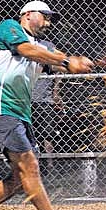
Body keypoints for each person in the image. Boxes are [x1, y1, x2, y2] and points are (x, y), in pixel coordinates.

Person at [0, 0, 93, 210]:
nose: (48, 21)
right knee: (30, 167)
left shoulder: (41, 46)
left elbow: (52, 61)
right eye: (44, 15)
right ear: (27, 14)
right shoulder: (10, 28)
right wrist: (66, 61)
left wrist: (78, 65)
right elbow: (27, 51)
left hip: (20, 112)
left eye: (50, 17)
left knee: (19, 176)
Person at [31, 40, 63, 168]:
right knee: (29, 132)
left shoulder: (48, 46)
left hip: (45, 99)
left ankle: (50, 164)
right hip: (27, 98)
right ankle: (33, 164)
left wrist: (56, 90)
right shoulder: (23, 43)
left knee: (48, 133)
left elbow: (59, 69)